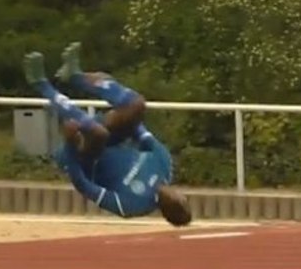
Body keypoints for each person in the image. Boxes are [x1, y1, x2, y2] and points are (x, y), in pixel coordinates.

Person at [22, 42, 191, 226]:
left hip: (84, 157)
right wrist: (126, 114)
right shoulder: (165, 165)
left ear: (166, 209)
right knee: (137, 104)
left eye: (175, 206)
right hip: (112, 140)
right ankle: (75, 76)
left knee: (98, 133)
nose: (177, 198)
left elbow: (83, 185)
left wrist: (70, 143)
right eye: (182, 201)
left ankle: (42, 84)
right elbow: (140, 131)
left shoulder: (131, 205)